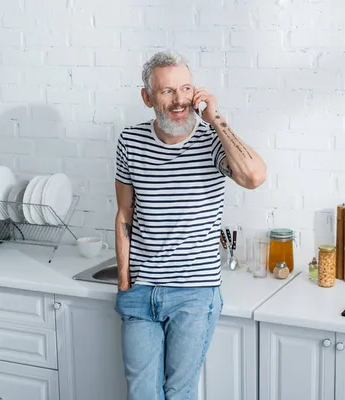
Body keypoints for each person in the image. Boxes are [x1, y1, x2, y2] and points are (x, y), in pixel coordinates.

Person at [113, 50, 267, 400]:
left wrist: (216, 119)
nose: (179, 99)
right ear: (147, 97)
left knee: (177, 393)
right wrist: (125, 283)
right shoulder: (130, 142)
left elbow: (254, 176)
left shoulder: (213, 142)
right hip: (141, 292)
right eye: (167, 91)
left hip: (194, 295)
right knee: (141, 394)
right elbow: (125, 215)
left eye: (185, 88)